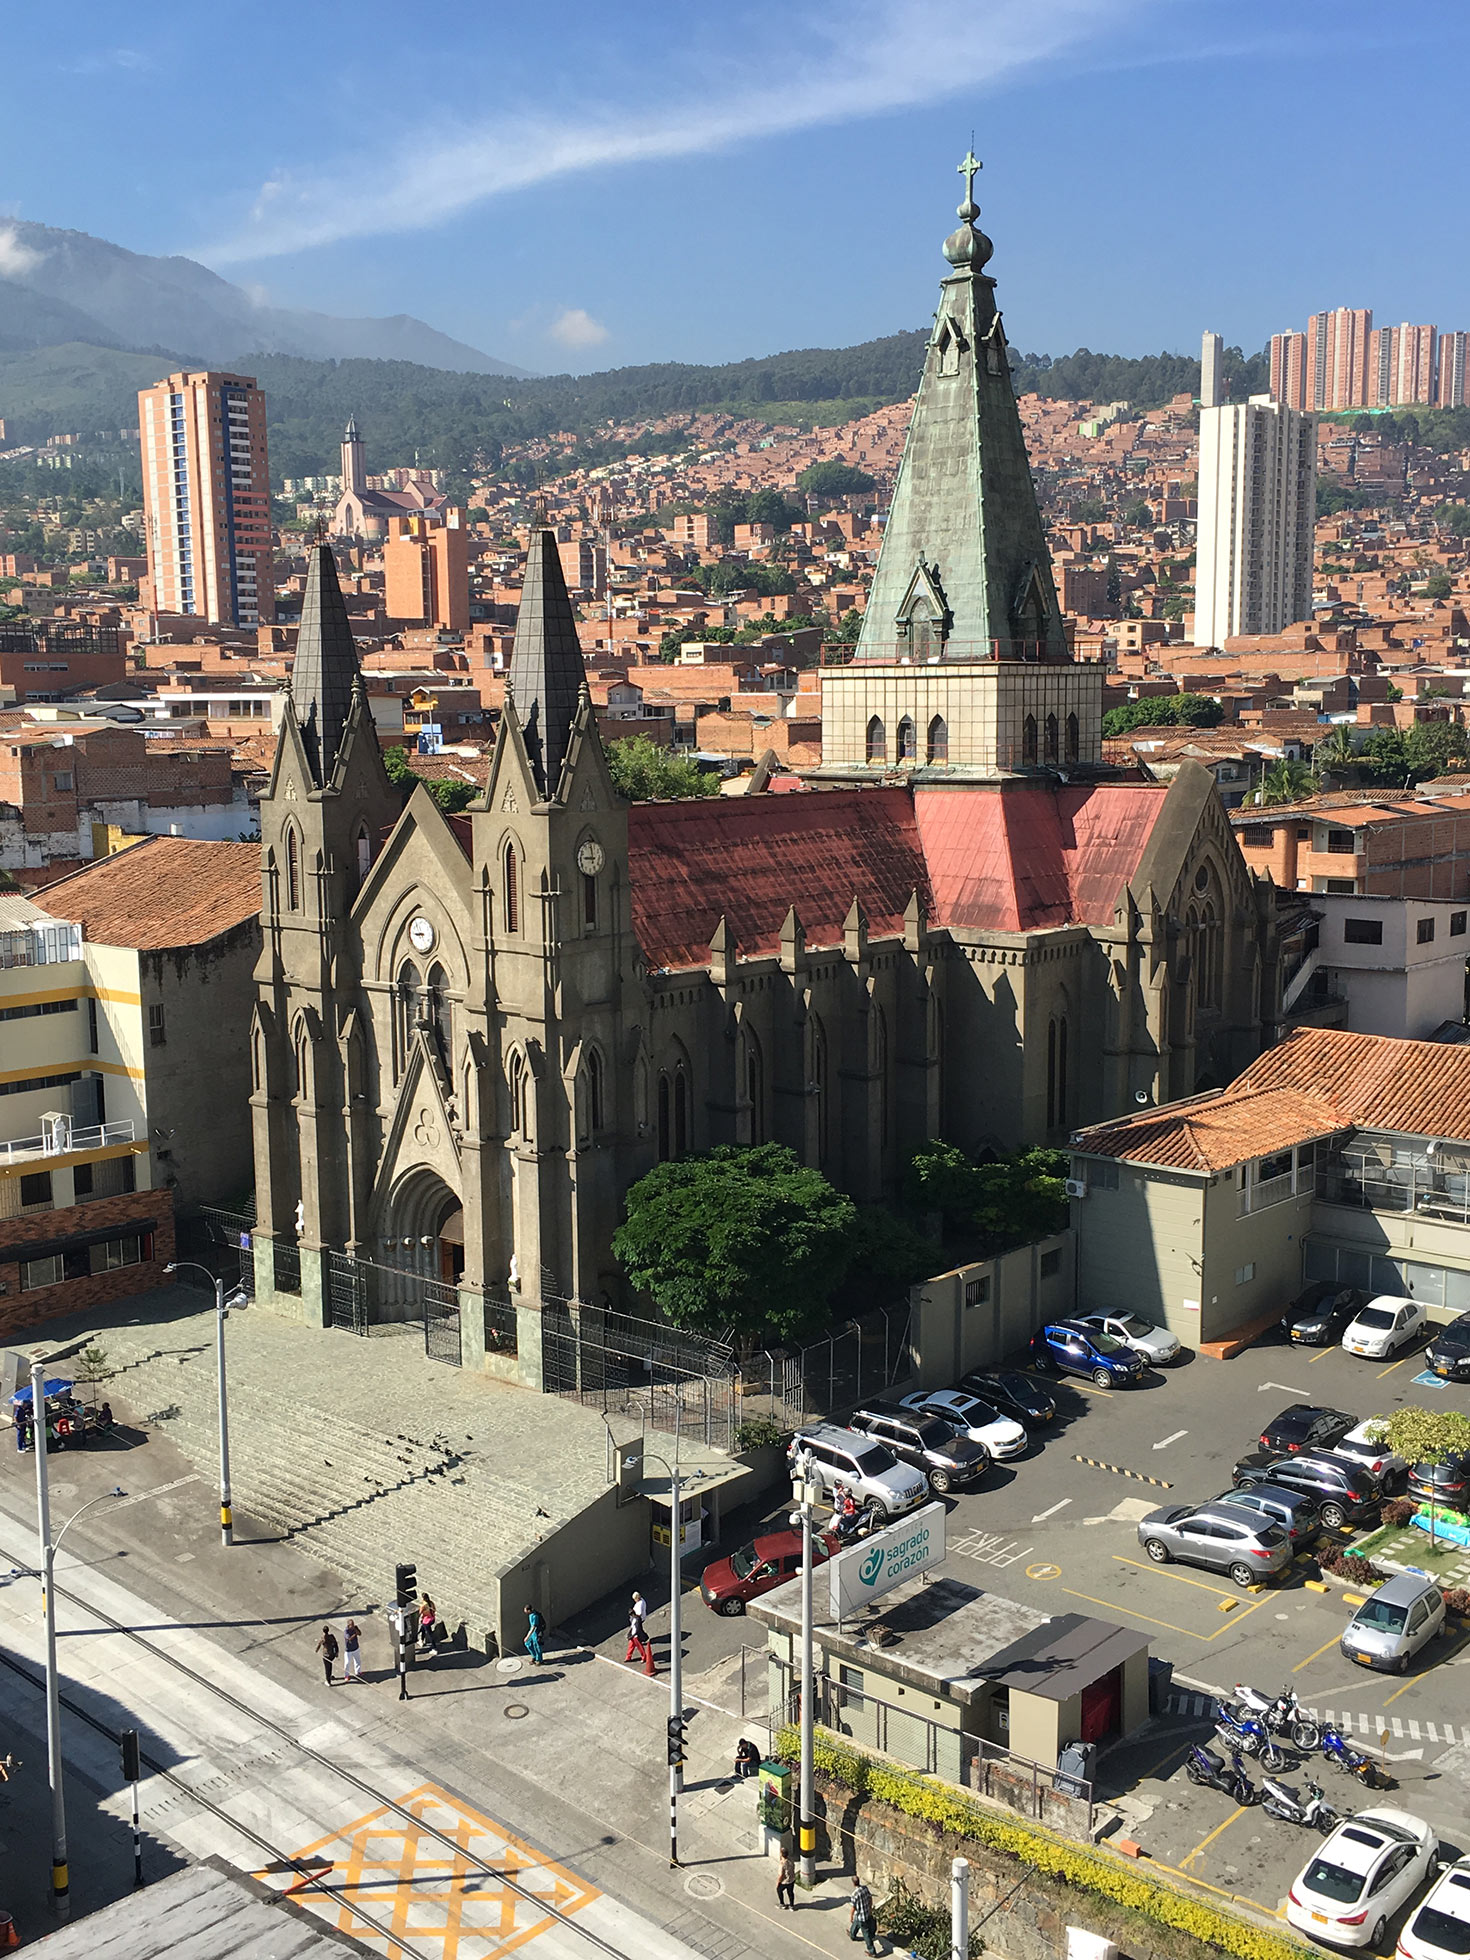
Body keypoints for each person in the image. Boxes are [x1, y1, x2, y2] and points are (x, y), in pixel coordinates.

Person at [849, 1877, 878, 1955]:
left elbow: (853, 1907)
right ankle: (852, 1935)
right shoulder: (865, 1888)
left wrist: (851, 1916)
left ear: (853, 1883)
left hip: (861, 1916)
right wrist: (870, 1908)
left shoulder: (854, 1894)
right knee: (856, 1923)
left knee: (866, 1933)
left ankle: (872, 1951)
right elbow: (870, 1898)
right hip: (866, 1912)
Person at [625, 1593, 650, 1665]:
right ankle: (628, 1656)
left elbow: (636, 1626)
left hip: (635, 1632)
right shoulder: (642, 1601)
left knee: (636, 1643)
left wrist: (633, 1634)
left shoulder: (636, 1618)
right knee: (631, 1642)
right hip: (634, 1630)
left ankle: (643, 1656)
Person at [776, 1844, 796, 1911]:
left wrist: (778, 1882)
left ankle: (782, 1904)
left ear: (781, 1854)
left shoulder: (782, 1864)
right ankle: (791, 1906)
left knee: (779, 1890)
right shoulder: (791, 1860)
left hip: (785, 1881)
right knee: (790, 1892)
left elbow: (781, 1875)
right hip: (792, 1879)